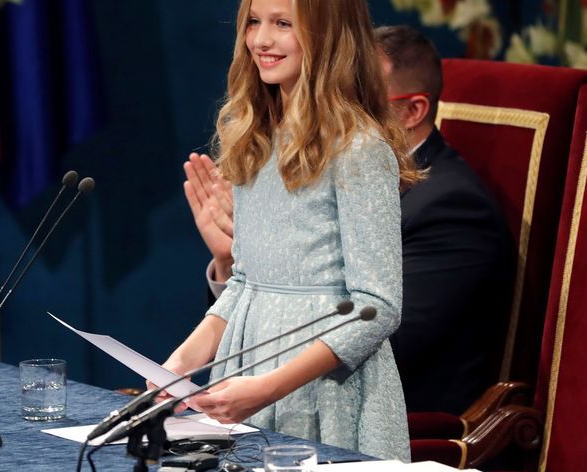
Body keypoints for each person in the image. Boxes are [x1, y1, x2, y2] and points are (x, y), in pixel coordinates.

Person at [163, 0, 416, 461]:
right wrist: (177, 366)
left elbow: (376, 306)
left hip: (325, 394)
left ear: (328, 34)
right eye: (254, 22)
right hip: (246, 371)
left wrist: (271, 387)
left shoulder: (360, 149)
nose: (261, 39)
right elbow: (245, 283)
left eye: (283, 23)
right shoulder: (253, 137)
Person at [184, 25, 515, 415]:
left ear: (412, 111)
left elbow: (377, 339)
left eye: (356, 94)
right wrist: (239, 261)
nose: (334, 105)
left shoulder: (451, 210)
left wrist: (278, 269)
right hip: (288, 401)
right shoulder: (328, 173)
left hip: (392, 422)